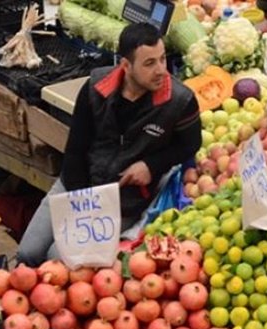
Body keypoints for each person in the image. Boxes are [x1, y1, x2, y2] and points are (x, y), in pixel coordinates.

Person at [18, 23, 202, 266]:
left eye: (162, 59)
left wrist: (151, 164)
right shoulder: (95, 87)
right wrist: (82, 205)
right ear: (126, 66)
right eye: (149, 63)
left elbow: (191, 145)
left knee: (57, 260)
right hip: (76, 185)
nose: (161, 71)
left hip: (122, 201)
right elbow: (75, 150)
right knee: (28, 253)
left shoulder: (180, 101)